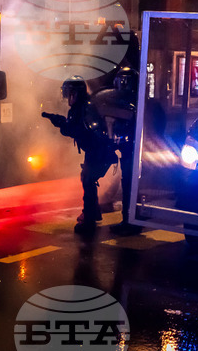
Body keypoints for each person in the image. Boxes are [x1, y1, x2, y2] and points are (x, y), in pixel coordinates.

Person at [43, 76, 118, 234]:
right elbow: (73, 128)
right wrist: (59, 121)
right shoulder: (83, 107)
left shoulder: (86, 109)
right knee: (87, 178)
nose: (67, 97)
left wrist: (60, 122)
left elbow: (77, 130)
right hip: (95, 150)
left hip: (99, 150)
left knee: (88, 180)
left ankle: (89, 221)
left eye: (68, 93)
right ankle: (93, 212)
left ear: (75, 93)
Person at [94, 66, 143, 235]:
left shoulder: (133, 103)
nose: (123, 85)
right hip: (129, 149)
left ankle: (130, 222)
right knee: (129, 183)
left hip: (133, 150)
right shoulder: (130, 101)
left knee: (130, 184)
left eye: (125, 81)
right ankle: (131, 219)